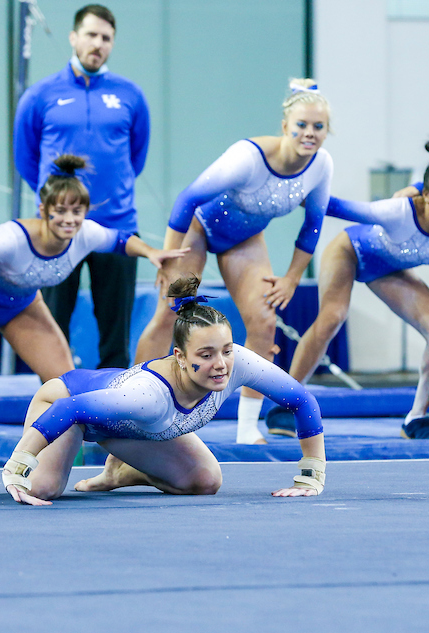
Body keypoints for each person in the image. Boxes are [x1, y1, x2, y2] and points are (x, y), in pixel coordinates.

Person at [0, 155, 187, 470]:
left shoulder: (85, 234)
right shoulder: (10, 239)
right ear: (44, 210)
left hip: (21, 304)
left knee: (66, 384)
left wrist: (152, 253)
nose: (69, 220)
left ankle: (61, 464)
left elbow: (122, 240)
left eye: (76, 212)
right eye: (60, 211)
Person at [0, 276, 326, 505]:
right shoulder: (148, 396)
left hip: (127, 424)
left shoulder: (237, 362)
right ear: (180, 358)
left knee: (205, 481)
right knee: (41, 488)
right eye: (206, 355)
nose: (221, 364)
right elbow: (69, 409)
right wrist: (18, 465)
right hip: (66, 404)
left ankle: (121, 472)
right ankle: (46, 470)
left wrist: (311, 475)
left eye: (226, 350)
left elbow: (302, 400)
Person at [134, 78, 333, 444]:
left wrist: (291, 277)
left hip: (243, 240)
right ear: (286, 126)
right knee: (170, 312)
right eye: (302, 125)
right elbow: (187, 199)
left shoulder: (321, 166)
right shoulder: (248, 157)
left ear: (327, 130)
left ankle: (246, 427)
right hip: (198, 227)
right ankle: (133, 409)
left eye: (318, 127)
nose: (310, 133)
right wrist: (167, 259)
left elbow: (312, 227)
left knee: (264, 319)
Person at [265, 139, 429, 440]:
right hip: (351, 251)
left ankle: (417, 418)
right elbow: (335, 207)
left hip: (389, 268)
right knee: (332, 317)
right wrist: (295, 192)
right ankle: (286, 404)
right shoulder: (399, 211)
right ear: (426, 195)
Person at [14, 3, 150, 370]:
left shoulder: (130, 96)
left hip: (116, 225)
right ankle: (55, 413)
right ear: (74, 37)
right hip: (57, 231)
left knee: (115, 336)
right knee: (51, 327)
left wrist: (106, 197)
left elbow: (135, 158)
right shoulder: (40, 96)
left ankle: (115, 416)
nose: (98, 44)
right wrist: (61, 205)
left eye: (106, 38)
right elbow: (25, 159)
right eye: (91, 35)